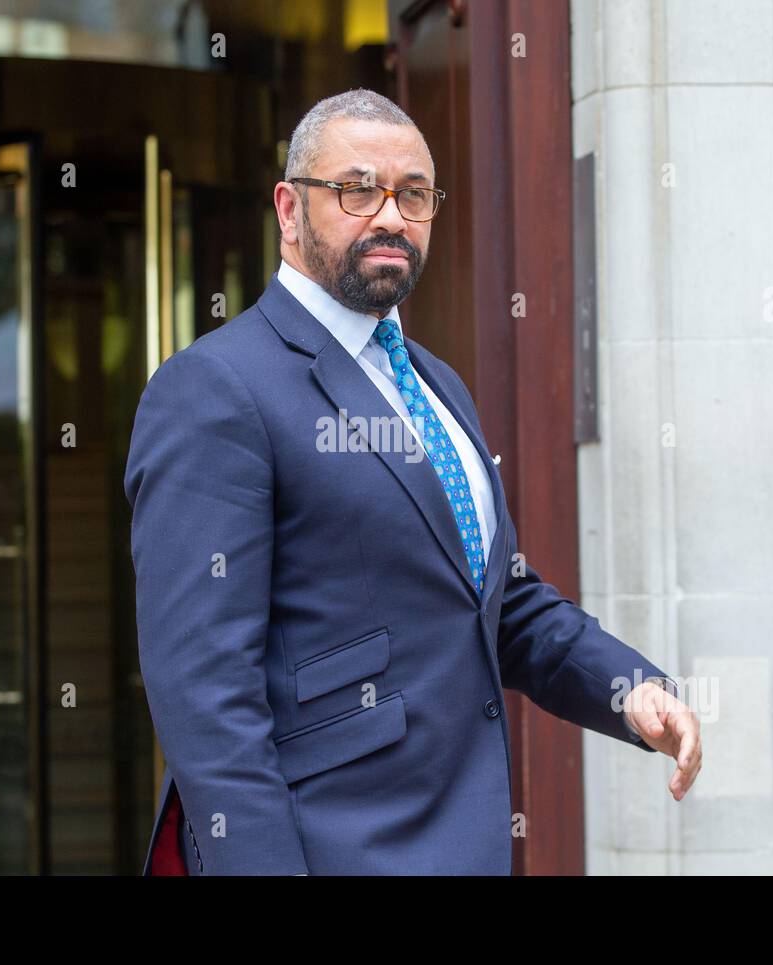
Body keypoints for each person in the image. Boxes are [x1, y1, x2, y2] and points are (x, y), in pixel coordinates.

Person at [124, 89, 702, 876]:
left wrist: (629, 688)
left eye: (415, 194)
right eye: (357, 190)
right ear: (290, 210)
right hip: (331, 850)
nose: (391, 216)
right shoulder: (216, 389)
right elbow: (204, 697)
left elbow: (496, 599)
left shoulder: (437, 385)